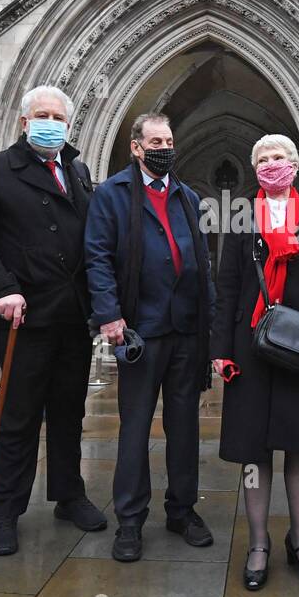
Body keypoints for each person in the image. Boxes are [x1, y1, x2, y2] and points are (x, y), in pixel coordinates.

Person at [0, 85, 107, 556]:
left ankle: (68, 493)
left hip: (73, 314)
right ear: (25, 122)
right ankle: (5, 510)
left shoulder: (78, 172)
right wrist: (2, 289)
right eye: (42, 115)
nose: (51, 123)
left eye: (59, 117)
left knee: (69, 411)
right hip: (25, 313)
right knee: (18, 417)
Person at [210, 135, 299, 590]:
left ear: (296, 166)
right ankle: (258, 544)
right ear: (256, 169)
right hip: (251, 348)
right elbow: (227, 287)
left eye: (281, 158)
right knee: (254, 451)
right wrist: (221, 349)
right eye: (265, 159)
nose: (273, 165)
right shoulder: (240, 222)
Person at [84, 112, 216, 561]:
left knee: (185, 426)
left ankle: (181, 510)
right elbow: (97, 257)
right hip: (140, 330)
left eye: (169, 140)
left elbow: (202, 263)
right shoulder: (112, 194)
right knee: (135, 426)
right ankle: (130, 520)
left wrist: (209, 326)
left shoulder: (188, 196)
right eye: (155, 141)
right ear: (136, 147)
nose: (164, 148)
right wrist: (109, 315)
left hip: (185, 330)